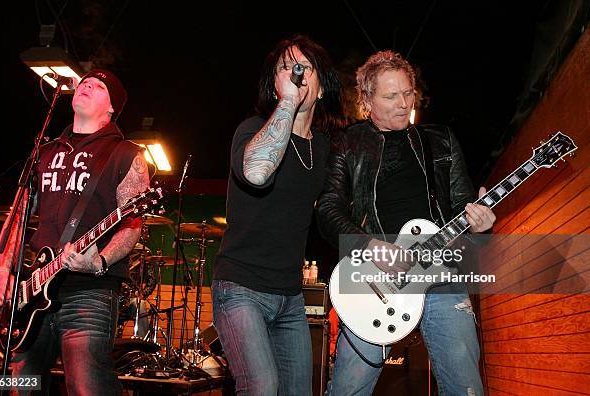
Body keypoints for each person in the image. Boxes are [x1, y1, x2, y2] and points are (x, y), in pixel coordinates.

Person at [316, 50, 496, 396]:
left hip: (442, 276)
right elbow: (328, 208)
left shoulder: (439, 139)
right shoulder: (348, 143)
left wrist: (481, 227)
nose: (403, 103)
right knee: (348, 390)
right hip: (374, 283)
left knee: (466, 388)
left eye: (408, 93)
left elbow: (463, 207)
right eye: (390, 95)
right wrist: (367, 244)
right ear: (366, 100)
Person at [0, 69, 151, 395]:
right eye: (85, 83)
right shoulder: (46, 151)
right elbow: (20, 216)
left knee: (86, 387)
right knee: (20, 386)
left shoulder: (126, 154)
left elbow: (133, 223)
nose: (86, 86)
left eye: (98, 86)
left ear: (111, 109)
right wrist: (5, 270)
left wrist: (100, 262)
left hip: (89, 292)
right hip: (33, 290)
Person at [211, 35, 344, 395]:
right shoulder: (252, 130)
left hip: (290, 296)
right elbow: (256, 173)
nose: (295, 73)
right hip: (240, 289)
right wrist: (287, 102)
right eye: (285, 68)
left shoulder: (325, 148)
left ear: (320, 89)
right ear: (275, 84)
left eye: (304, 67)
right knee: (262, 386)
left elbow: (340, 208)